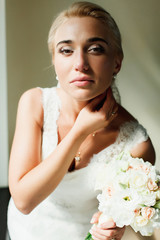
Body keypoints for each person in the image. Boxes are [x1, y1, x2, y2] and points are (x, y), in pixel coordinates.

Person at [7, 1, 155, 240]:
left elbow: (119, 217)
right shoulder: (34, 103)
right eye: (66, 50)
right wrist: (79, 131)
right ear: (54, 60)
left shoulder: (136, 143)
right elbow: (24, 201)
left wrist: (114, 227)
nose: (80, 65)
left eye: (95, 49)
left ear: (116, 62)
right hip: (25, 231)